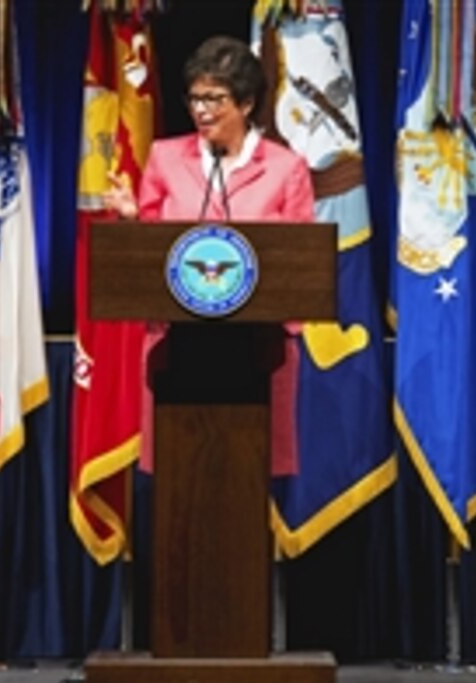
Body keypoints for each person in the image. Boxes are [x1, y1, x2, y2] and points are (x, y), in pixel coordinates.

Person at [104, 35, 315, 475]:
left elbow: (303, 265)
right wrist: (130, 221)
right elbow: (153, 258)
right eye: (195, 98)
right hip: (179, 350)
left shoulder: (285, 168)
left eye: (214, 99)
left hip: (258, 353)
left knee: (244, 481)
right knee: (181, 483)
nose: (201, 110)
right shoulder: (164, 158)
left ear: (246, 103)